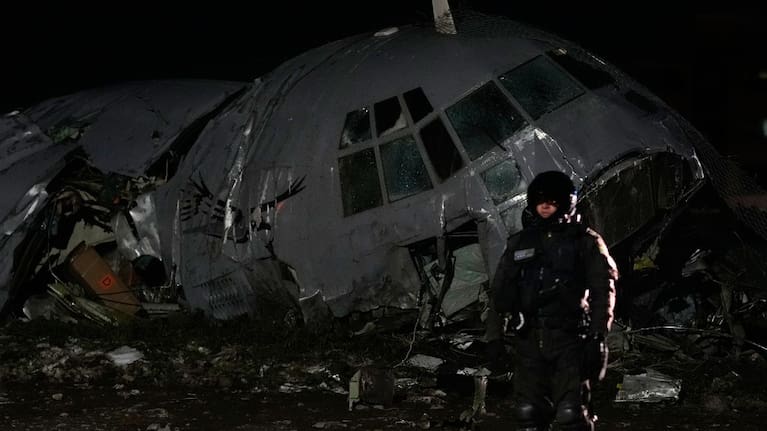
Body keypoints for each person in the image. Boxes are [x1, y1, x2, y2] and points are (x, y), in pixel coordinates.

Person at [488, 170, 617, 431]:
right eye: (540, 200)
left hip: (569, 338)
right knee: (528, 412)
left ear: (566, 202)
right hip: (528, 339)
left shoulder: (585, 242)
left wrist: (598, 337)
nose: (546, 206)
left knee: (571, 414)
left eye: (553, 201)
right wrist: (493, 337)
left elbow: (604, 290)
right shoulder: (521, 243)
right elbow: (500, 292)